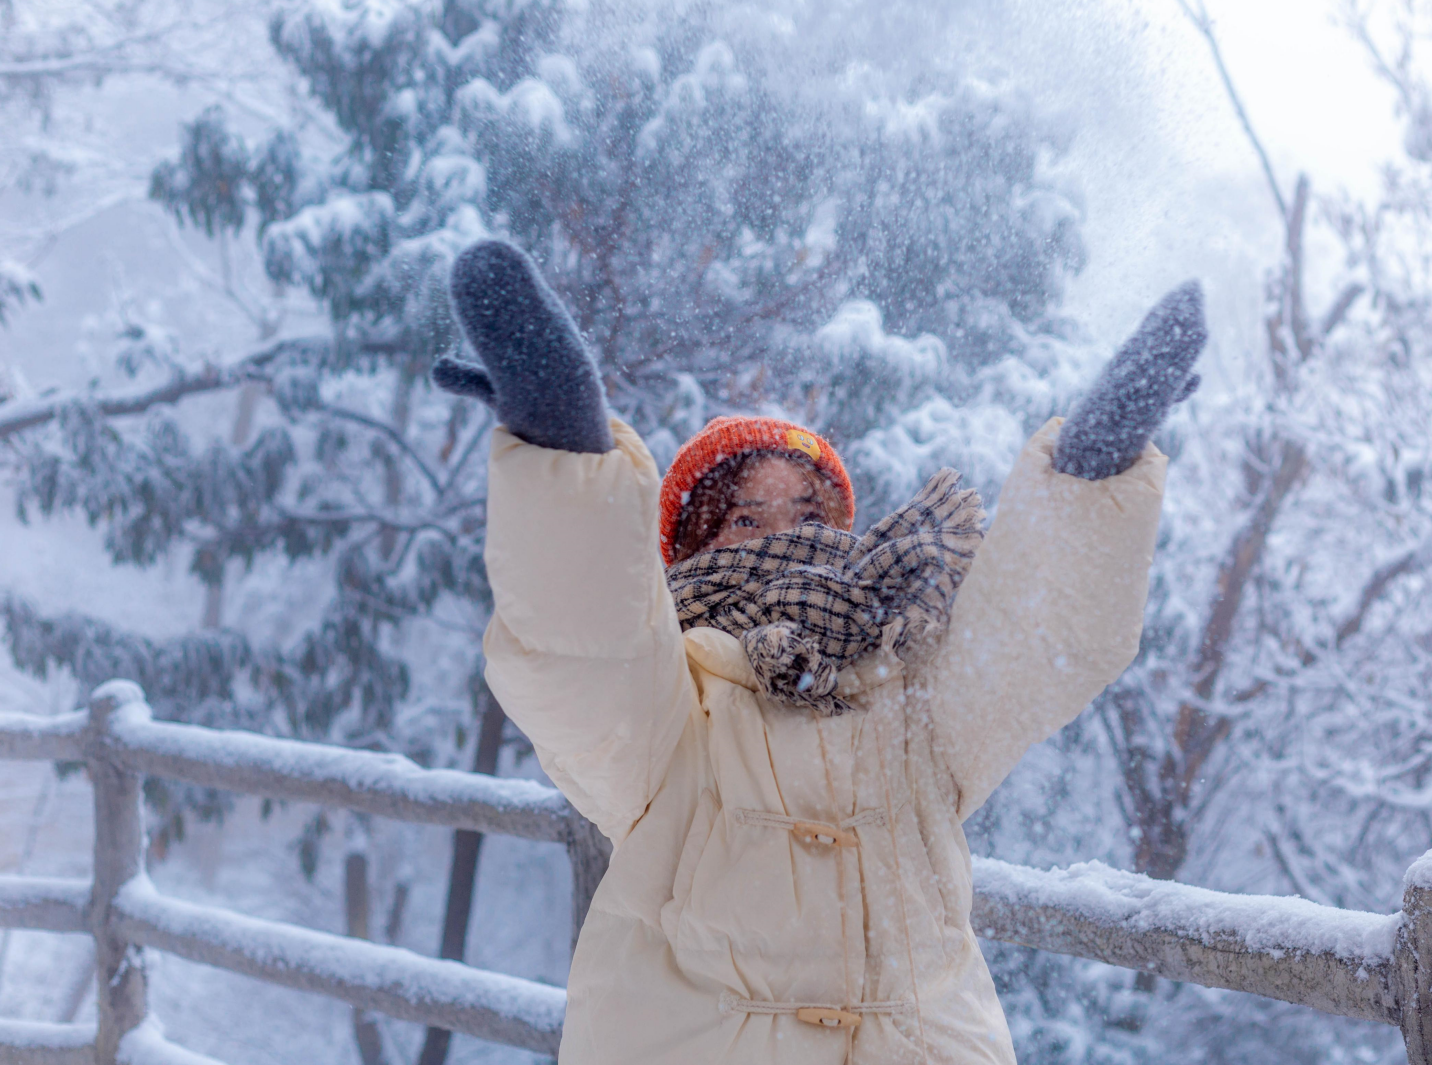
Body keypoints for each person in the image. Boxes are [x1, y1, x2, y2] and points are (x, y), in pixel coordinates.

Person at [432, 240, 1204, 1065]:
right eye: (744, 519)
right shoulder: (668, 700)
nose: (785, 538)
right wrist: (564, 454)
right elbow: (577, 646)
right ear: (689, 549)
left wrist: (1090, 478)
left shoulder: (912, 687)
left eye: (807, 512)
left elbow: (1033, 639)